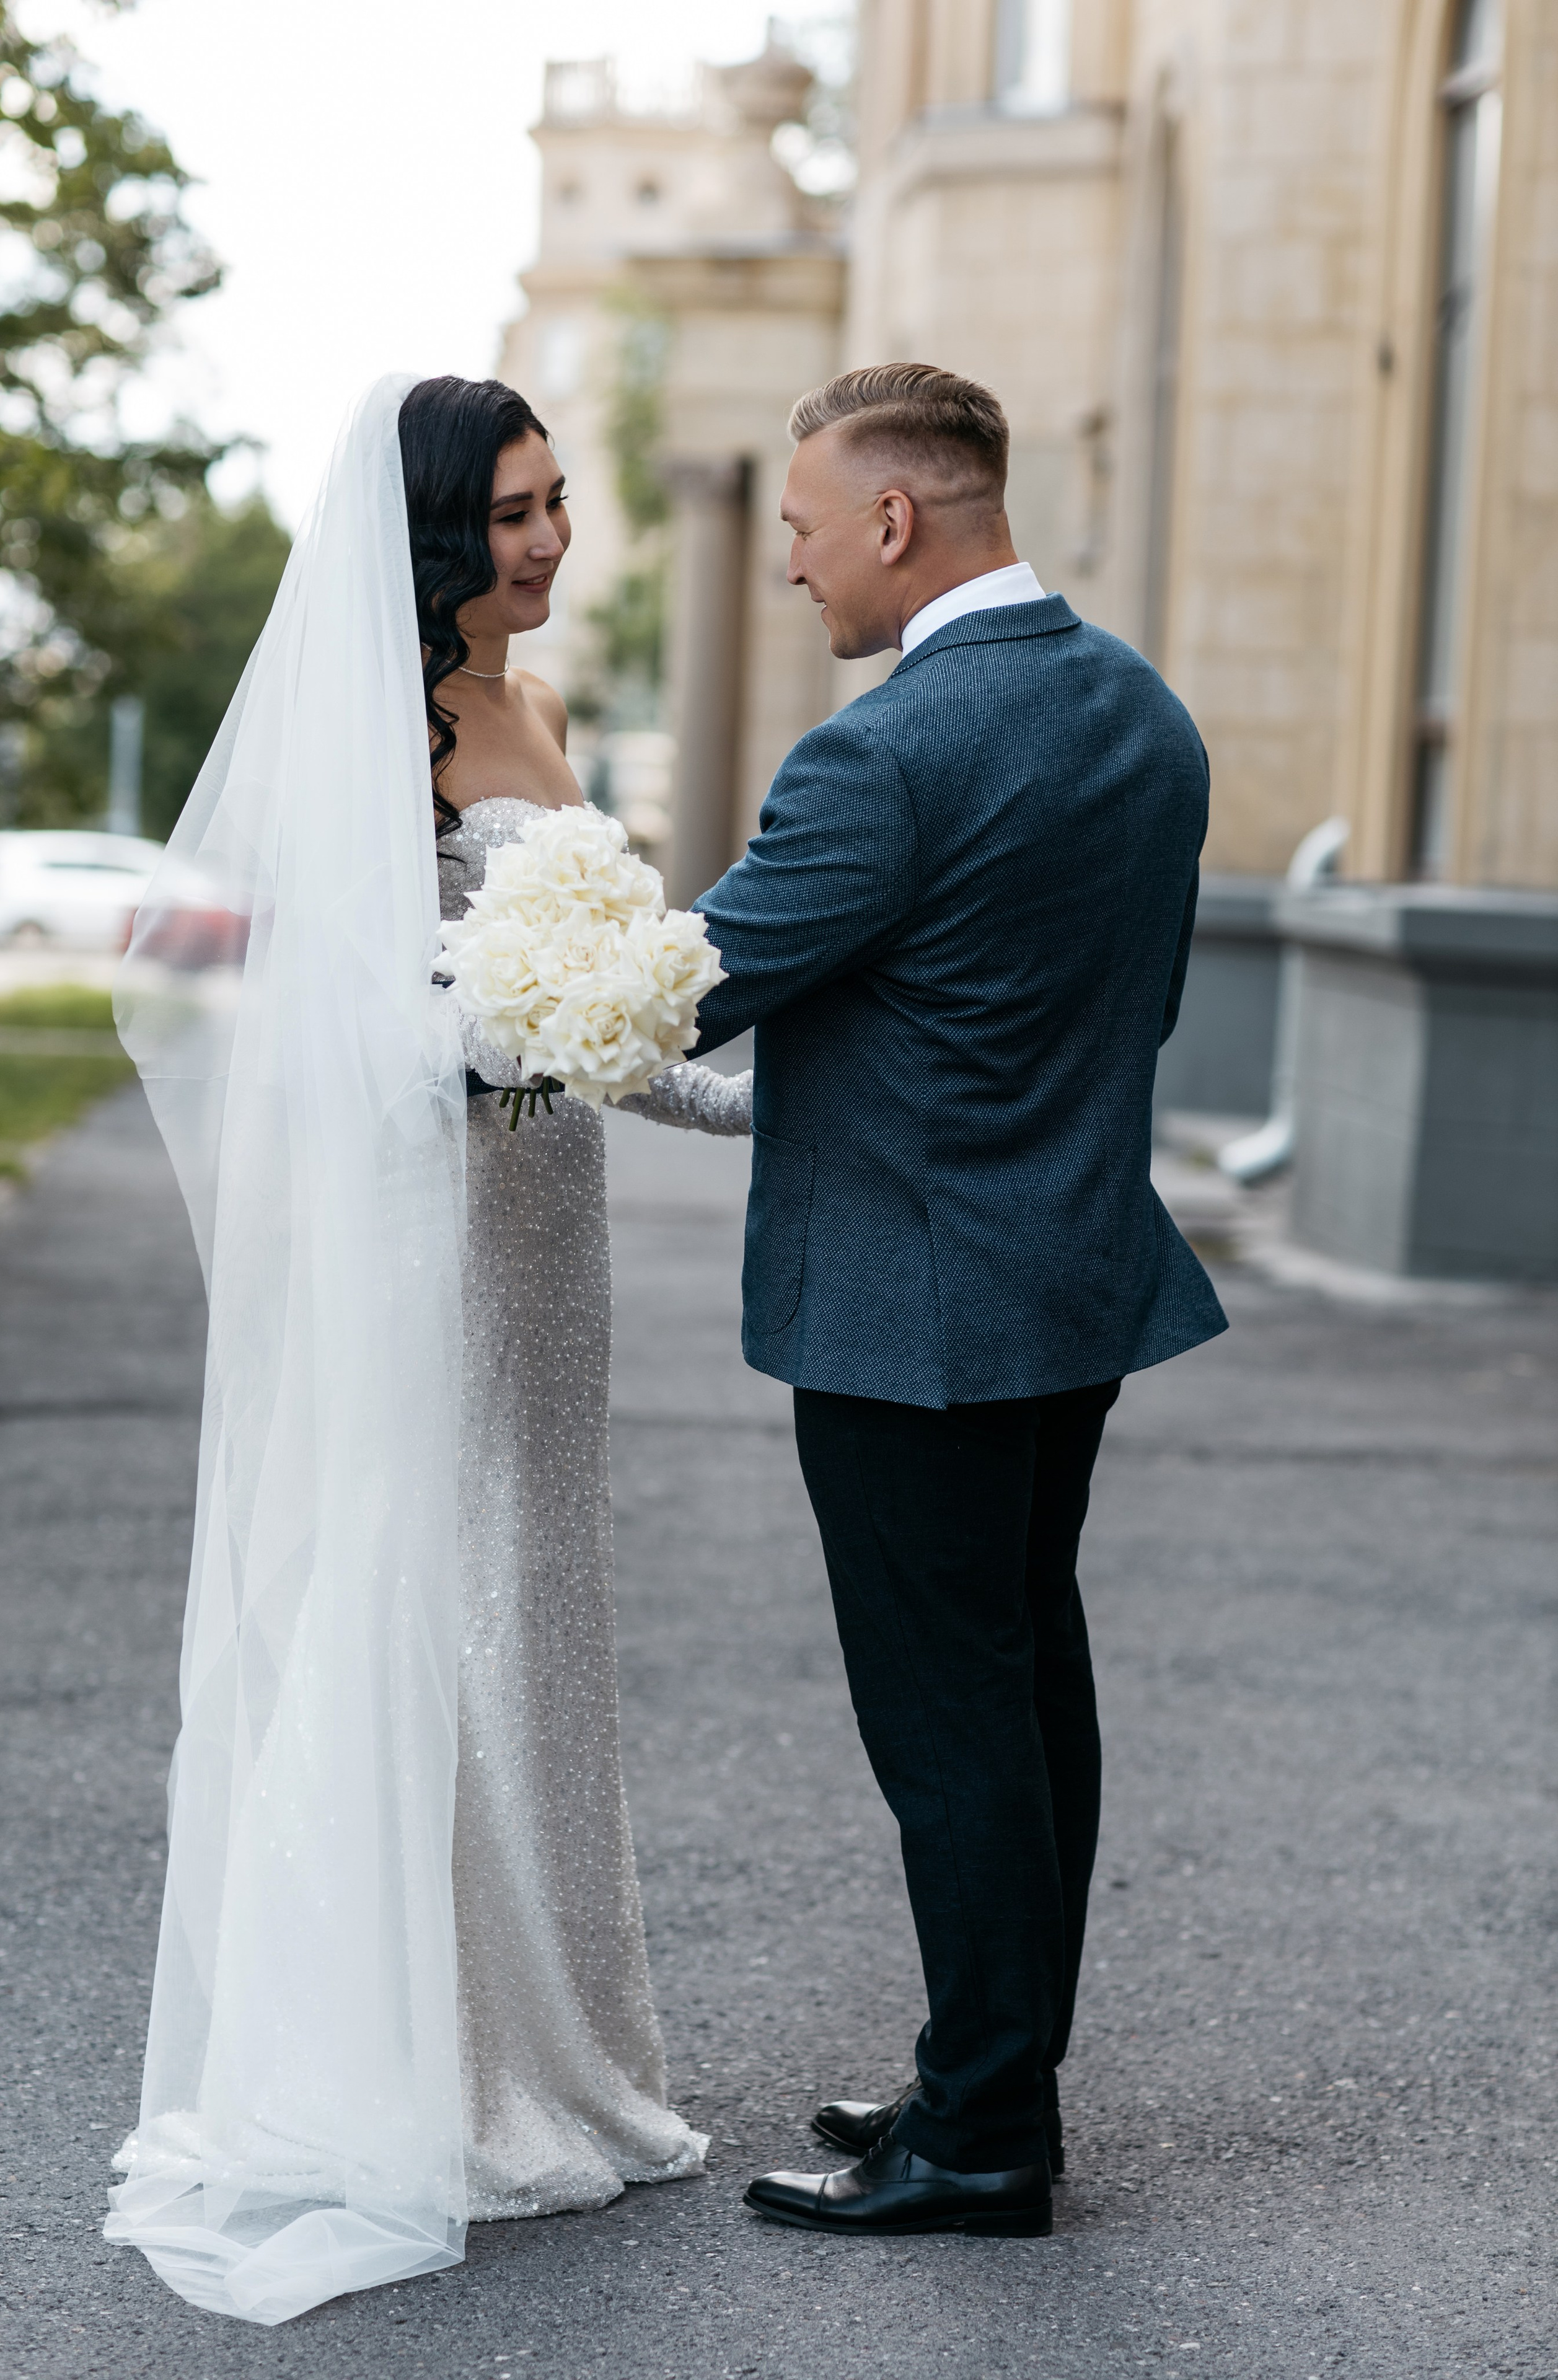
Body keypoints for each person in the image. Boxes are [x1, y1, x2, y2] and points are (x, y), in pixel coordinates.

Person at [106, 376, 747, 2325]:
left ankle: (560, 2051)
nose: (551, 543)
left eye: (562, 505)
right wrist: (466, 1042)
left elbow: (625, 1011)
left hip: (550, 1240)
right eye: (520, 515)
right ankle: (415, 2072)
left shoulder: (538, 719)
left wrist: (775, 1100)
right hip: (431, 1234)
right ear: (439, 537)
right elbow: (223, 981)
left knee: (535, 1609)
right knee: (433, 1598)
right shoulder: (360, 738)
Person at [687, 363, 1228, 2240]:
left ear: (894, 524)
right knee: (1025, 1690)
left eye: (801, 528)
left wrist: (445, 991)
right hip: (1069, 1278)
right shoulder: (1143, 716)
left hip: (912, 1318)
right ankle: (986, 2059)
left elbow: (683, 995)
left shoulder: (882, 756)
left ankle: (989, 2136)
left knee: (952, 1727)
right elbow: (1118, 1012)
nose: (791, 568)